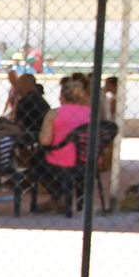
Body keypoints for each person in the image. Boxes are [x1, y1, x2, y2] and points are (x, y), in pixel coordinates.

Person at [33, 79, 93, 210]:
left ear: (62, 97)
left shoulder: (54, 113)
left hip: (62, 159)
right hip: (87, 158)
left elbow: (45, 141)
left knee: (36, 162)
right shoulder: (91, 113)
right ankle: (77, 199)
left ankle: (58, 196)